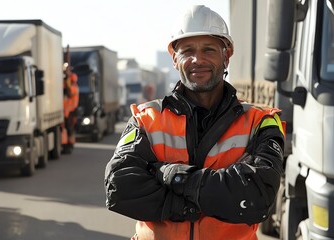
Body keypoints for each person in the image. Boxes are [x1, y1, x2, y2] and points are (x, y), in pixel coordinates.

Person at [104, 5, 285, 240]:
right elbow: (120, 188)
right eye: (187, 50)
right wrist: (189, 206)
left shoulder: (262, 122)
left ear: (226, 55)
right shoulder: (145, 118)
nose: (197, 59)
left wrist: (171, 175)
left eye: (209, 50)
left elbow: (257, 197)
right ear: (174, 59)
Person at [62, 63, 79, 154]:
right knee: (67, 128)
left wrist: (67, 79)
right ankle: (67, 145)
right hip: (67, 111)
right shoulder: (67, 83)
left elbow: (69, 92)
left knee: (69, 129)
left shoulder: (73, 86)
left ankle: (69, 145)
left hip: (71, 111)